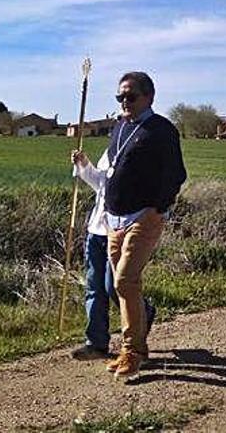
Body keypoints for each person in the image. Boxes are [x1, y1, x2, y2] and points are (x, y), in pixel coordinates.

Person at [104, 71, 186, 379]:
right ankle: (136, 345)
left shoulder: (161, 130)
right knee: (124, 286)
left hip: (144, 216)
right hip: (114, 218)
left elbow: (176, 174)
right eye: (120, 97)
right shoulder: (120, 127)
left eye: (130, 96)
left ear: (149, 97)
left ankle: (132, 352)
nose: (124, 101)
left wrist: (157, 209)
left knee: (125, 280)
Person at [68, 149, 156, 360]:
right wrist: (84, 165)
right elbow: (101, 185)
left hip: (119, 229)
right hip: (96, 229)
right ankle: (96, 343)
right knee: (93, 287)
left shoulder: (138, 153)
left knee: (113, 286)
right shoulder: (110, 151)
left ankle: (143, 314)